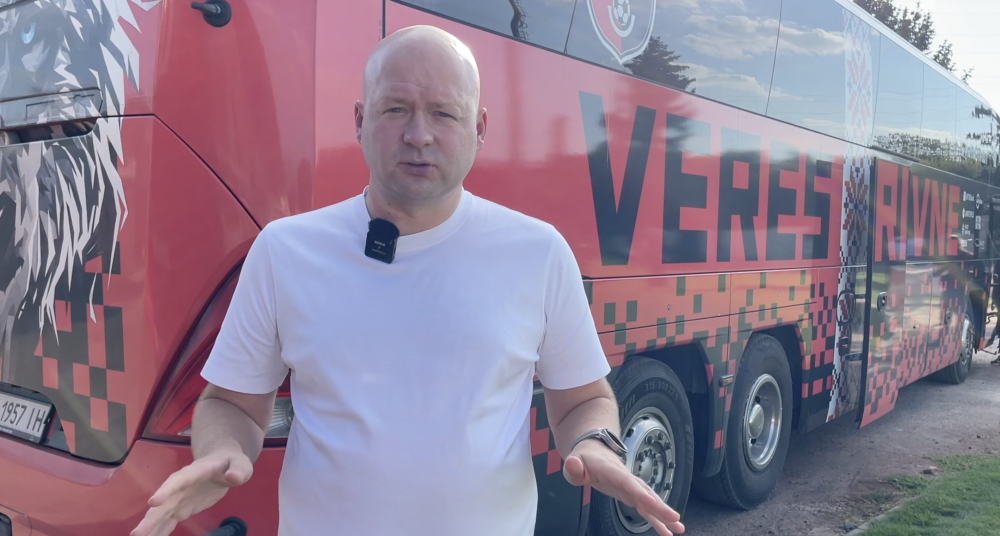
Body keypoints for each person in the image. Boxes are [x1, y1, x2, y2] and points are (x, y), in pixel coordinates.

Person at [129, 25, 686, 536]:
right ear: (359, 119)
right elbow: (230, 404)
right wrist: (222, 452)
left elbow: (583, 399)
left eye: (444, 113)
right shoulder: (285, 250)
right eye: (396, 108)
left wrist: (596, 442)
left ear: (479, 128)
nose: (419, 135)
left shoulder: (539, 253)